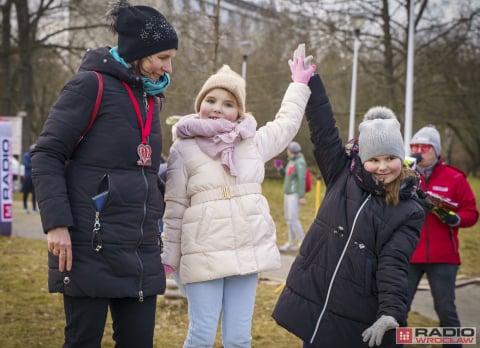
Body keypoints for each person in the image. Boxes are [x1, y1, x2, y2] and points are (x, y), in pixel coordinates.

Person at [30, 1, 178, 346]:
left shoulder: (150, 98)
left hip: (139, 249)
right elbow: (47, 154)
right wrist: (56, 224)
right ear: (138, 53)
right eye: (162, 57)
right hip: (88, 247)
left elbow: (134, 170)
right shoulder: (89, 85)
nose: (168, 67)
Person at [161, 44, 316, 347]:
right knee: (202, 334)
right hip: (202, 253)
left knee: (238, 338)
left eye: (228, 103)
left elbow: (286, 125)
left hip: (246, 252)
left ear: (238, 112)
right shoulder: (184, 147)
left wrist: (298, 86)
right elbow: (175, 205)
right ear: (199, 104)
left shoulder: (252, 143)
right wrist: (169, 255)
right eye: (211, 99)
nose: (218, 107)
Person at [272, 70, 427, 347]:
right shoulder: (342, 174)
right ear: (362, 157)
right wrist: (311, 83)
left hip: (356, 307)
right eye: (374, 159)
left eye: (390, 158)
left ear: (401, 158)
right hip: (317, 293)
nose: (382, 167)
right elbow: (324, 132)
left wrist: (391, 312)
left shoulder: (409, 209)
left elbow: (394, 264)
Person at [406, 125, 479, 348]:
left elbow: (471, 212)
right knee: (396, 308)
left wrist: (455, 219)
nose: (418, 150)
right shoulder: (405, 175)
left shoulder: (455, 177)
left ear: (436, 151)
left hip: (443, 257)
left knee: (446, 310)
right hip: (409, 254)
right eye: (414, 146)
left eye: (424, 147)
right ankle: (394, 343)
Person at [274, 141, 307, 251]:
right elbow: (287, 176)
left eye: (288, 150)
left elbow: (301, 179)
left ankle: (303, 241)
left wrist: (302, 196)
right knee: (288, 219)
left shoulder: (299, 163)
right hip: (288, 194)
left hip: (294, 194)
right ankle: (291, 242)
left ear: (290, 151)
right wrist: (280, 169)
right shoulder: (291, 162)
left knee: (293, 218)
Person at [22, 144, 38, 213]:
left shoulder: (36, 155)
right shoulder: (26, 155)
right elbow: (27, 164)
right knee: (25, 193)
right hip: (27, 177)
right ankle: (25, 208)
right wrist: (35, 164)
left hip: (34, 177)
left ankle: (34, 208)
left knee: (34, 193)